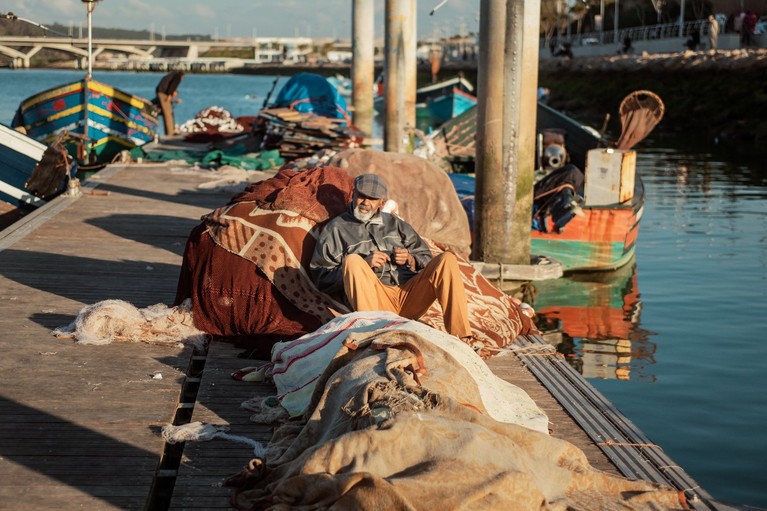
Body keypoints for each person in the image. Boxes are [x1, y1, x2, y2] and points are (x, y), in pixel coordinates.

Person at [310, 173, 473, 341]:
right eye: (361, 197)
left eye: (371, 199)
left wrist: (411, 259)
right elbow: (321, 278)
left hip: (409, 296)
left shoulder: (396, 224)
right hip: (374, 304)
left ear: (381, 203)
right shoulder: (336, 229)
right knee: (353, 261)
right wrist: (364, 265)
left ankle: (462, 337)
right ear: (353, 195)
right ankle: (372, 334)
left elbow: (425, 257)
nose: (365, 203)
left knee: (447, 259)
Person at [154, 70, 184, 136]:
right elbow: (173, 85)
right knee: (168, 114)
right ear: (182, 76)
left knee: (167, 113)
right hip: (163, 93)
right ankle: (170, 132)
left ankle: (169, 131)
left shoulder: (170, 75)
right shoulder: (177, 76)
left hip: (160, 91)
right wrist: (169, 94)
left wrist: (174, 100)